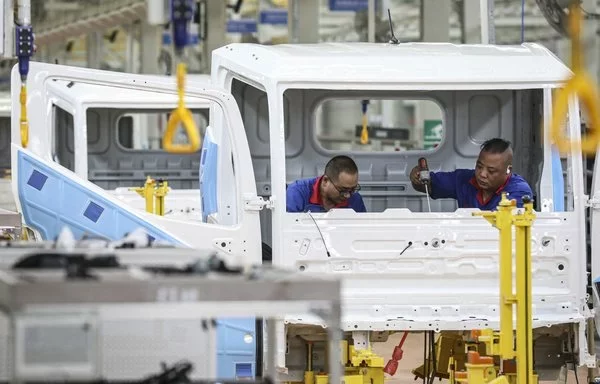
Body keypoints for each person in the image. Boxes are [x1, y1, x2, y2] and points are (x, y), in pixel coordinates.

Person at [409, 138, 533, 209]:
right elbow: (428, 186)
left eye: (491, 171)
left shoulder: (520, 191)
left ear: (508, 170)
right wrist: (417, 178)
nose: (482, 174)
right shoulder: (464, 179)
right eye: (479, 166)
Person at [286, 155, 367, 213]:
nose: (348, 195)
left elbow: (362, 232)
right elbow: (288, 230)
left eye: (353, 189)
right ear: (325, 181)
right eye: (343, 190)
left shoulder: (355, 199)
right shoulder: (297, 193)